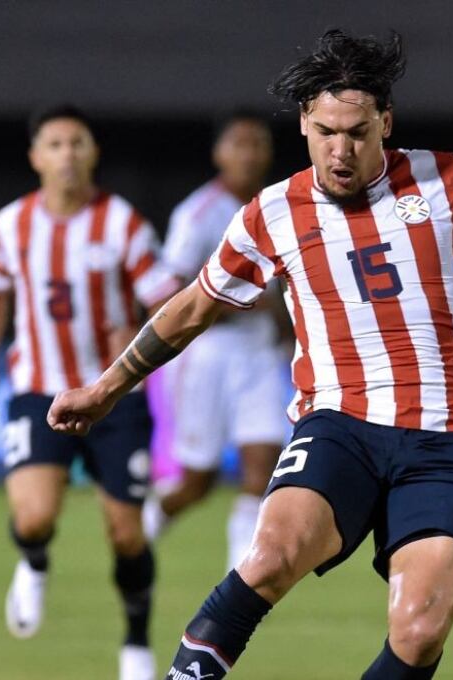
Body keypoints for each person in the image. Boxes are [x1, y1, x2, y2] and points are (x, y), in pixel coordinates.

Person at [46, 30, 453, 680]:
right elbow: (192, 308)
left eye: (356, 132)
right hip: (339, 427)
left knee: (418, 631)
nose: (340, 149)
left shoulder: (451, 179)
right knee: (266, 557)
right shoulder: (272, 214)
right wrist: (104, 389)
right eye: (326, 131)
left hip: (445, 441)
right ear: (303, 122)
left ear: (386, 121)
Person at [0, 104, 179, 680]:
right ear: (36, 157)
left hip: (114, 395)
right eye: (55, 144)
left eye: (77, 143)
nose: (67, 154)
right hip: (39, 390)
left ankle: (136, 641)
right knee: (34, 518)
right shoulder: (10, 225)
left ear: (93, 152)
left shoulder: (122, 224)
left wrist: (139, 327)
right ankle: (34, 563)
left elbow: (167, 297)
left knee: (126, 533)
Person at [143, 109, 291, 572]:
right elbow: (164, 296)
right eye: (239, 143)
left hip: (262, 352)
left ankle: (238, 579)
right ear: (219, 153)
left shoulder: (283, 205)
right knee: (197, 481)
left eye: (258, 144)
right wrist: (240, 300)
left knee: (263, 469)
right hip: (206, 354)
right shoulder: (197, 214)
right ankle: (148, 521)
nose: (249, 154)